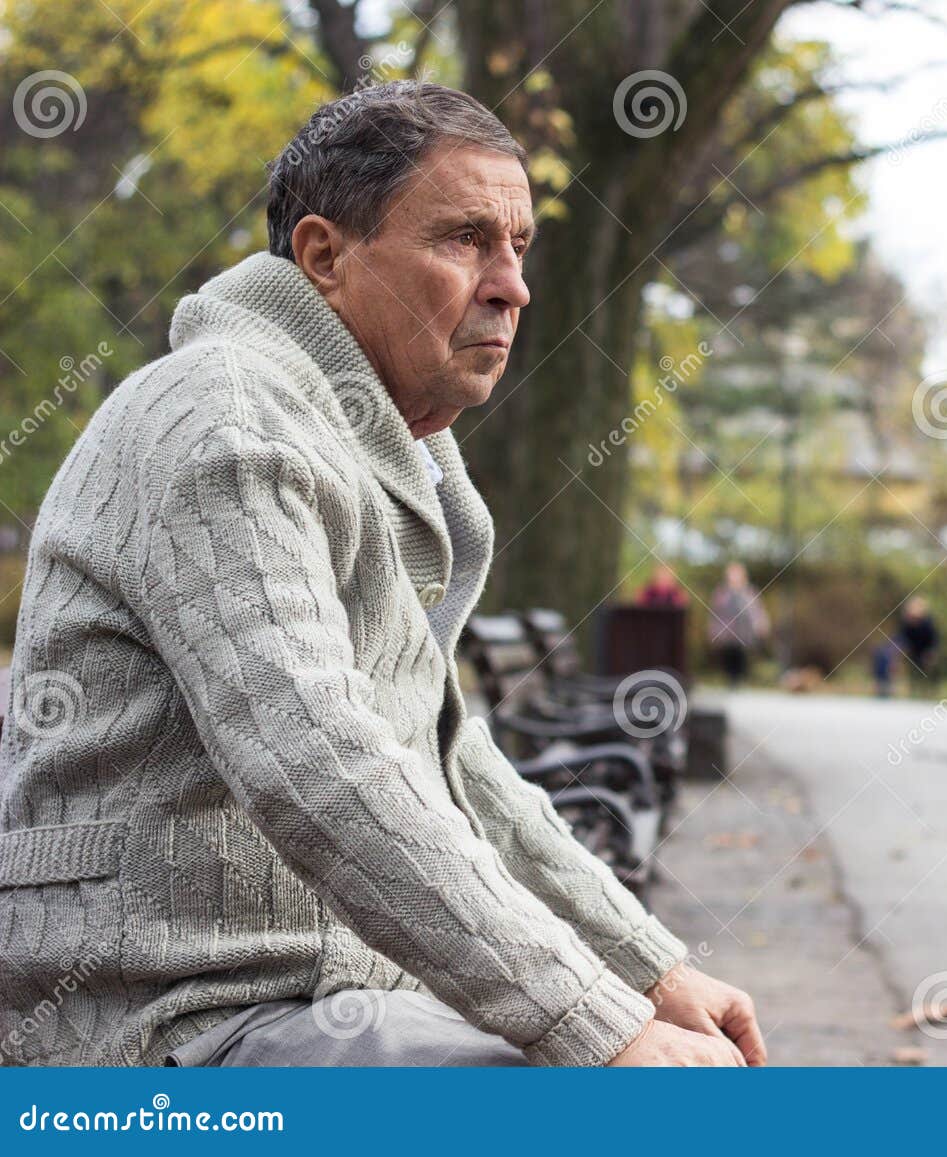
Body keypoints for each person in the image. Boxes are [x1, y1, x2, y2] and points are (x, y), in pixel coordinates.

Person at [0, 83, 763, 1069]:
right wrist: (597, 1021)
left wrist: (647, 969)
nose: (511, 286)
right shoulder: (225, 425)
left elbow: (444, 759)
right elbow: (318, 761)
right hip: (161, 1022)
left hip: (309, 992)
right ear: (325, 256)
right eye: (464, 240)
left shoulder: (360, 436)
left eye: (518, 246)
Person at [708, 562, 769, 688]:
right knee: (729, 656)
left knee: (742, 656)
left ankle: (740, 680)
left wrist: (762, 624)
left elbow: (757, 610)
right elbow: (715, 613)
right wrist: (713, 630)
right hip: (727, 633)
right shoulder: (721, 593)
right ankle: (731, 681)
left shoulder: (749, 591)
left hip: (745, 632)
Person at [898, 597, 940, 688]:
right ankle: (913, 685)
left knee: (929, 665)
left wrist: (931, 653)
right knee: (912, 667)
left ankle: (930, 686)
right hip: (913, 650)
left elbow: (934, 640)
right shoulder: (906, 625)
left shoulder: (927, 624)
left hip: (926, 649)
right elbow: (903, 639)